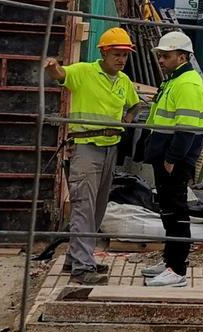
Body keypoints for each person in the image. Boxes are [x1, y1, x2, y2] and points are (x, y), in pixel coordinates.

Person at [43, 28, 142, 285]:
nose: (121, 60)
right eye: (116, 54)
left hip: (111, 147)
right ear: (103, 52)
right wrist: (53, 67)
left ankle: (76, 258)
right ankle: (82, 268)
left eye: (124, 55)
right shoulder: (84, 72)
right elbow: (61, 75)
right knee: (84, 207)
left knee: (97, 208)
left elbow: (135, 104)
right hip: (87, 147)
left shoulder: (124, 82)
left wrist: (128, 119)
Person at [140, 31, 203, 288]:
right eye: (160, 55)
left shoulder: (187, 84)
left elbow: (187, 128)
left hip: (174, 159)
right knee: (168, 210)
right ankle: (170, 260)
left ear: (182, 56)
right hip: (166, 156)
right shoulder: (175, 80)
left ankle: (177, 269)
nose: (161, 60)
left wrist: (172, 158)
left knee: (176, 211)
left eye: (165, 56)